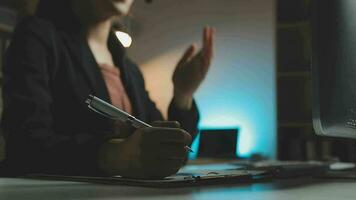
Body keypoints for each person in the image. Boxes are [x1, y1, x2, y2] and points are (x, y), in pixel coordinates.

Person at [0, 0, 214, 179]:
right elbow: (25, 145)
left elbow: (169, 153)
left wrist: (183, 94)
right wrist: (114, 155)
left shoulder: (129, 71)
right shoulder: (38, 36)